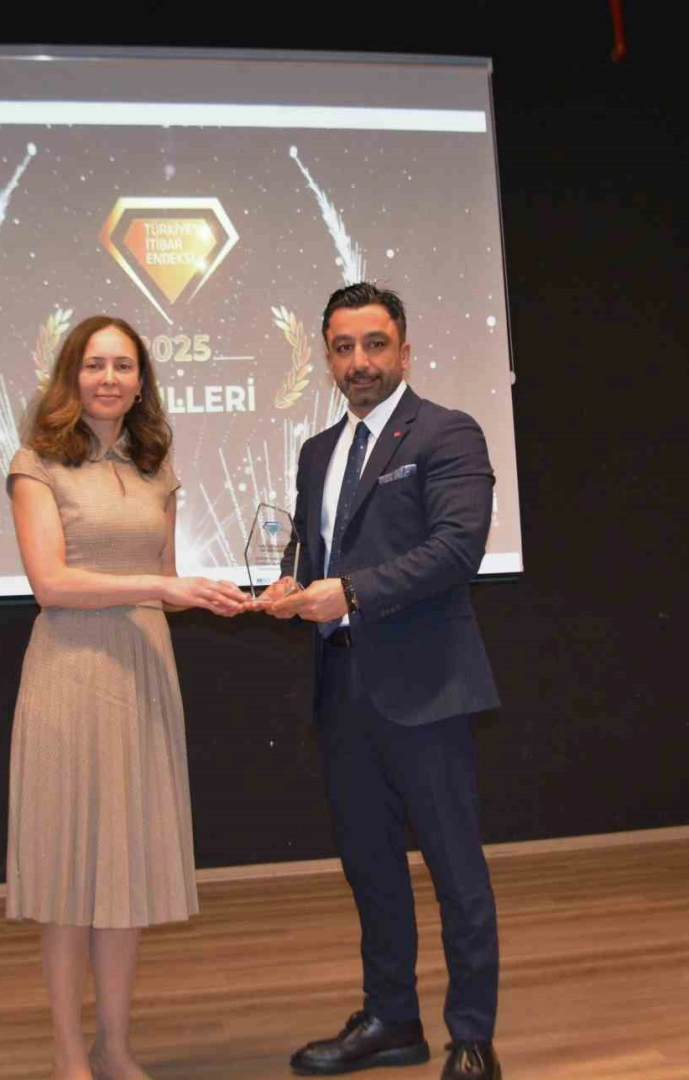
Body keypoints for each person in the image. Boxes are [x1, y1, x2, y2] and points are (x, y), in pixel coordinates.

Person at [259, 284, 503, 1080]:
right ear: (327, 357)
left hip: (427, 691)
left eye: (373, 344)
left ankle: (472, 1038)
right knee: (369, 868)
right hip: (341, 690)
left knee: (455, 872)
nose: (358, 361)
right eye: (343, 347)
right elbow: (313, 552)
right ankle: (391, 1021)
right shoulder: (317, 452)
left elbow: (457, 548)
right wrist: (290, 584)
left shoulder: (447, 432)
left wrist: (351, 593)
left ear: (403, 349)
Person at [5, 314, 247, 1080]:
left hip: (143, 671)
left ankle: (114, 1047)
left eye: (123, 366)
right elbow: (50, 585)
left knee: (125, 870)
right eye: (94, 364)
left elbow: (166, 580)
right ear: (70, 376)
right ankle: (69, 1057)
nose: (108, 378)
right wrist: (160, 587)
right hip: (69, 675)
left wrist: (217, 594)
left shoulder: (155, 467)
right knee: (67, 877)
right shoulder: (35, 464)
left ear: (141, 381)